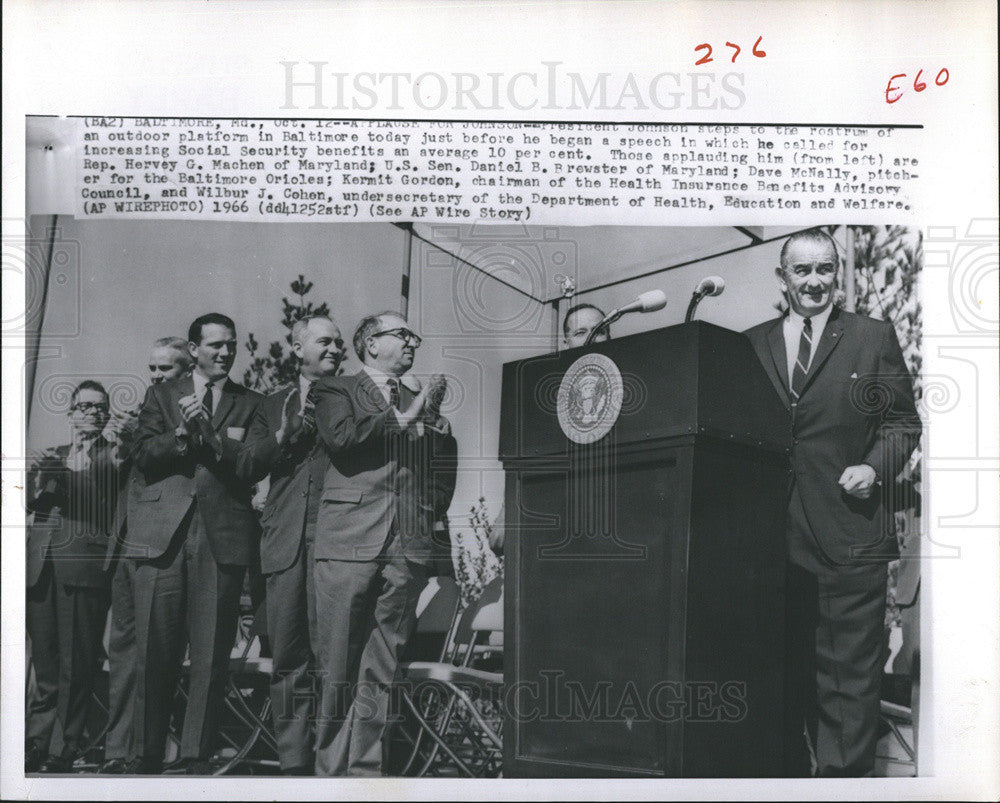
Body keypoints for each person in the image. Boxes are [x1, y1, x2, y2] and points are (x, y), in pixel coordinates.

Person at [743, 229, 921, 777]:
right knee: (778, 684)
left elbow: (902, 423)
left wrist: (873, 467)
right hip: (771, 545)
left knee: (848, 689)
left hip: (850, 538)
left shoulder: (871, 337)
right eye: (803, 271)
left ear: (836, 275)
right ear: (783, 278)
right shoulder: (751, 343)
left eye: (825, 269)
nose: (815, 281)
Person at [312, 311, 456, 776]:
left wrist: (426, 510)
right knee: (337, 665)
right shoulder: (336, 389)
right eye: (402, 334)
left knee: (382, 668)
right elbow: (343, 439)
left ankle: (365, 776)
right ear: (371, 344)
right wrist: (406, 415)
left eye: (414, 335)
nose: (414, 341)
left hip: (407, 546)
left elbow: (441, 468)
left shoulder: (422, 400)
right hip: (348, 539)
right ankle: (330, 778)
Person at [127, 313, 263, 774]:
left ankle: (194, 757)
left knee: (210, 654)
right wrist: (184, 433)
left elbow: (250, 465)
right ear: (194, 348)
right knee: (154, 650)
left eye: (231, 345)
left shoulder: (253, 403)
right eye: (215, 346)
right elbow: (142, 455)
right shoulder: (161, 395)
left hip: (221, 537)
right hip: (164, 536)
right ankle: (145, 754)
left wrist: (212, 435)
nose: (225, 353)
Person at [236, 315, 346, 775]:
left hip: (336, 539)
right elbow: (246, 466)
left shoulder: (354, 397)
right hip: (283, 540)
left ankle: (331, 766)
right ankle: (294, 767)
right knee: (288, 660)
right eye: (326, 341)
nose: (337, 348)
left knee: (333, 660)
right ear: (297, 348)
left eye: (340, 343)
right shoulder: (270, 403)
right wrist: (284, 434)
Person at [100, 337, 193, 774]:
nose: (155, 377)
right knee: (122, 648)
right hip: (126, 537)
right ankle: (116, 749)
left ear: (187, 369)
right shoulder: (144, 412)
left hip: (160, 540)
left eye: (166, 370)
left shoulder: (188, 407)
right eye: (151, 369)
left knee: (152, 652)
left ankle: (144, 750)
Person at [25, 380, 126, 773]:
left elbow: (102, 502)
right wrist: (35, 474)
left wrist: (70, 471)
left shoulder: (112, 457)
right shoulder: (56, 455)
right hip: (42, 567)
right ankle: (36, 742)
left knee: (75, 664)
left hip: (83, 570)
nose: (91, 414)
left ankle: (63, 749)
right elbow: (32, 501)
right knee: (45, 663)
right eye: (83, 407)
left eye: (99, 408)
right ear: (69, 414)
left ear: (106, 415)